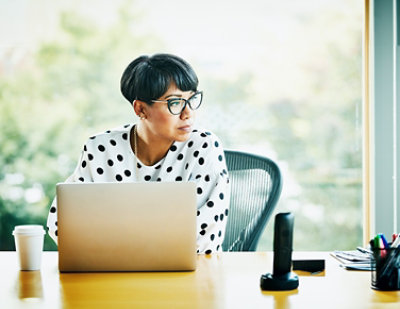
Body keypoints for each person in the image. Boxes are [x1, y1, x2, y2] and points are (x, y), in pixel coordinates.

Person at [46, 53, 230, 254]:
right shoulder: (100, 149)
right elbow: (62, 224)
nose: (188, 113)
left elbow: (204, 242)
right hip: (110, 275)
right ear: (141, 109)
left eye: (192, 99)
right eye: (175, 103)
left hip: (185, 277)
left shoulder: (204, 147)